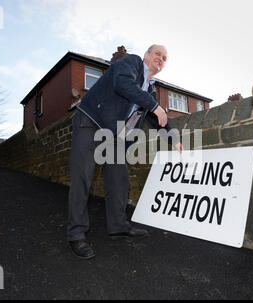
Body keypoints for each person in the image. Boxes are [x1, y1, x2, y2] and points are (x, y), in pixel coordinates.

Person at [68, 44, 182, 259]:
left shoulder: (149, 89)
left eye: (165, 58)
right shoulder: (133, 63)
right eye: (158, 54)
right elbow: (122, 83)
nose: (161, 59)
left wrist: (174, 139)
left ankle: (118, 225)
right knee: (82, 178)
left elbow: (157, 118)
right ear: (147, 55)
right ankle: (76, 234)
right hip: (90, 121)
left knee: (119, 179)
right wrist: (154, 106)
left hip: (112, 136)